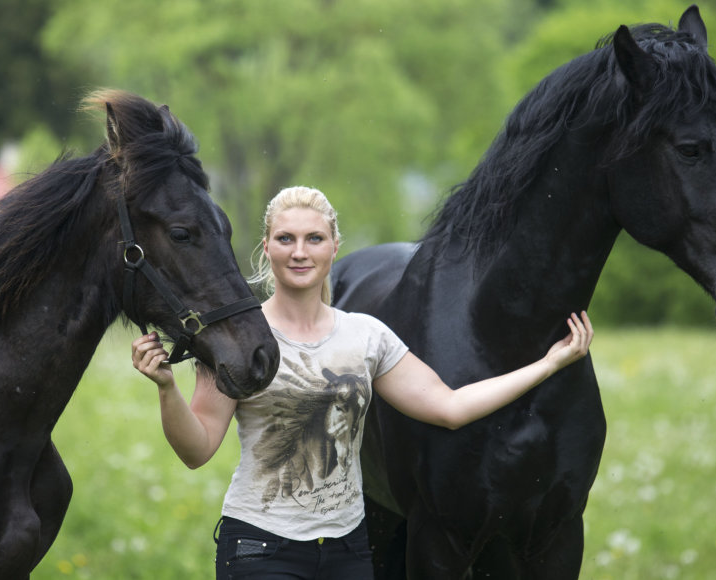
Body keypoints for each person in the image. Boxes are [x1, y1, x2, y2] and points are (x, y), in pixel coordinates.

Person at [131, 185, 593, 578]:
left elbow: (449, 407)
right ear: (266, 247)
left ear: (334, 246)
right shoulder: (238, 340)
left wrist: (549, 364)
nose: (299, 251)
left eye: (314, 238)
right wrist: (167, 390)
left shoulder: (366, 335)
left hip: (347, 552)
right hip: (260, 546)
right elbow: (197, 450)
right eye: (285, 239)